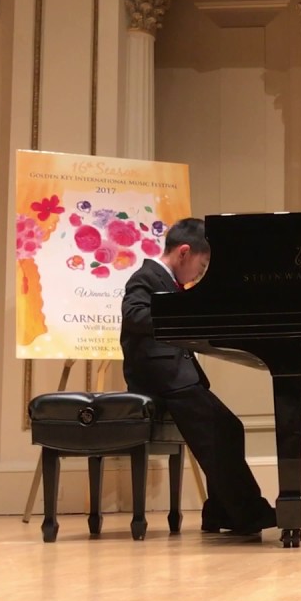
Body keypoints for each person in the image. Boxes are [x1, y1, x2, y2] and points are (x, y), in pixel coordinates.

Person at [120, 217, 275, 536]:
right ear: (184, 253)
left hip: (175, 378)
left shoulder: (169, 283)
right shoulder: (145, 277)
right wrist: (183, 314)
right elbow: (133, 315)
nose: (200, 275)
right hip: (158, 379)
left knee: (230, 427)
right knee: (217, 430)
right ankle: (246, 512)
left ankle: (220, 511)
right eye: (201, 267)